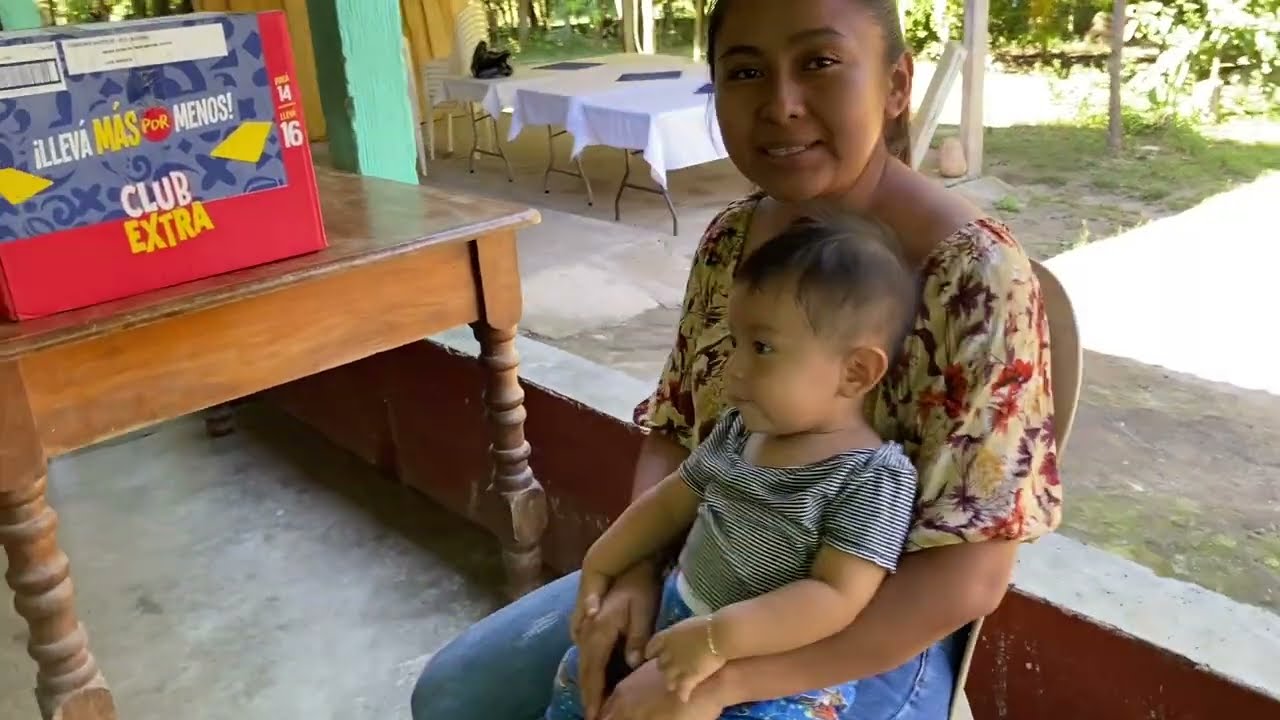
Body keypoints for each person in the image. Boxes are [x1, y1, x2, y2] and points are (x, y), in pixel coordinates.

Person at [411, 0, 1062, 718]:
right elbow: (678, 429)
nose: (781, 105)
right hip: (707, 575)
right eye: (745, 71)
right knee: (454, 698)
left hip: (867, 631)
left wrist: (726, 679)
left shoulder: (975, 278)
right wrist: (636, 571)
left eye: (819, 63)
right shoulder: (733, 238)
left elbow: (966, 578)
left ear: (896, 84)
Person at [546, 216, 921, 720]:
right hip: (678, 618)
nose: (734, 367)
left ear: (855, 372)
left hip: (776, 676)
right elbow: (672, 499)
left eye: (762, 348)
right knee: (583, 675)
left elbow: (836, 595)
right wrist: (603, 562)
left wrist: (718, 639)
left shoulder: (871, 477)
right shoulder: (741, 430)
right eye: (736, 343)